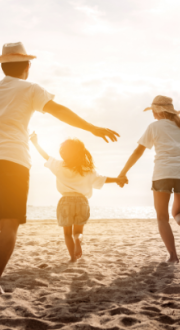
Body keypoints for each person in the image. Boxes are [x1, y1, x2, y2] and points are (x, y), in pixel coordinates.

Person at [0, 42, 120, 293]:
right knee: (8, 224)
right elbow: (60, 112)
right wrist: (92, 128)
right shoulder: (31, 89)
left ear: (2, 66)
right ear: (28, 66)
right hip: (12, 160)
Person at [30, 133, 127, 262]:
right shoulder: (87, 170)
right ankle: (78, 240)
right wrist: (117, 179)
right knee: (78, 232)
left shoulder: (59, 166)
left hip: (65, 201)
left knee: (67, 233)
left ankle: (72, 258)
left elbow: (45, 156)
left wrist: (35, 143)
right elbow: (103, 179)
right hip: (82, 201)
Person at [118, 95, 180, 263]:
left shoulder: (154, 127)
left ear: (157, 112)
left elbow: (138, 152)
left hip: (163, 174)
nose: (153, 115)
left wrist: (123, 173)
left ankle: (173, 256)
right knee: (178, 213)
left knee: (162, 217)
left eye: (153, 111)